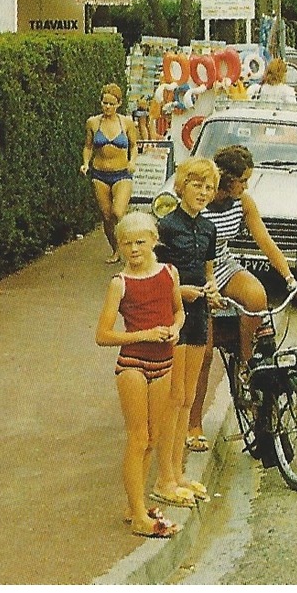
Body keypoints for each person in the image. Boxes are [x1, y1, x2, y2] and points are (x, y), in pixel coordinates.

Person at [184, 145, 297, 454]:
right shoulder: (201, 203)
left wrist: (290, 278)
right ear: (227, 180)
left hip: (224, 266)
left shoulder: (243, 203)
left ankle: (246, 361)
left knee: (256, 295)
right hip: (196, 276)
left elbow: (265, 240)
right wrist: (205, 290)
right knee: (205, 353)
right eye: (243, 181)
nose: (247, 187)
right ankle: (194, 422)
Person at [94, 211, 184, 539]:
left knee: (153, 437)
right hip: (132, 365)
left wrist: (174, 329)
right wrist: (143, 335)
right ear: (119, 247)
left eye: (140, 242)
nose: (134, 249)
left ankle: (136, 505)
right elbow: (103, 335)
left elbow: (178, 311)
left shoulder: (169, 274)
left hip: (164, 364)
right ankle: (138, 517)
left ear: (154, 242)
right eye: (127, 244)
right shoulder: (120, 283)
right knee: (137, 437)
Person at [155, 157, 221, 509]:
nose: (203, 192)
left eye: (209, 187)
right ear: (182, 186)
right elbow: (155, 277)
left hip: (199, 315)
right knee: (174, 395)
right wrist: (182, 293)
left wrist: (212, 291)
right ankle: (164, 477)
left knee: (189, 394)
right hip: (174, 315)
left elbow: (207, 271)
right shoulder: (166, 227)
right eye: (197, 185)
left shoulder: (208, 229)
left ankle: (178, 473)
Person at [83, 84, 139, 263]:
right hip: (99, 174)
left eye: (111, 104)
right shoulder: (93, 122)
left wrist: (132, 161)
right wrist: (85, 163)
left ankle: (131, 247)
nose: (107, 107)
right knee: (107, 216)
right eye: (104, 103)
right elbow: (88, 146)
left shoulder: (126, 123)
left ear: (119, 104)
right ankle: (115, 250)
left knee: (118, 212)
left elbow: (134, 145)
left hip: (121, 173)